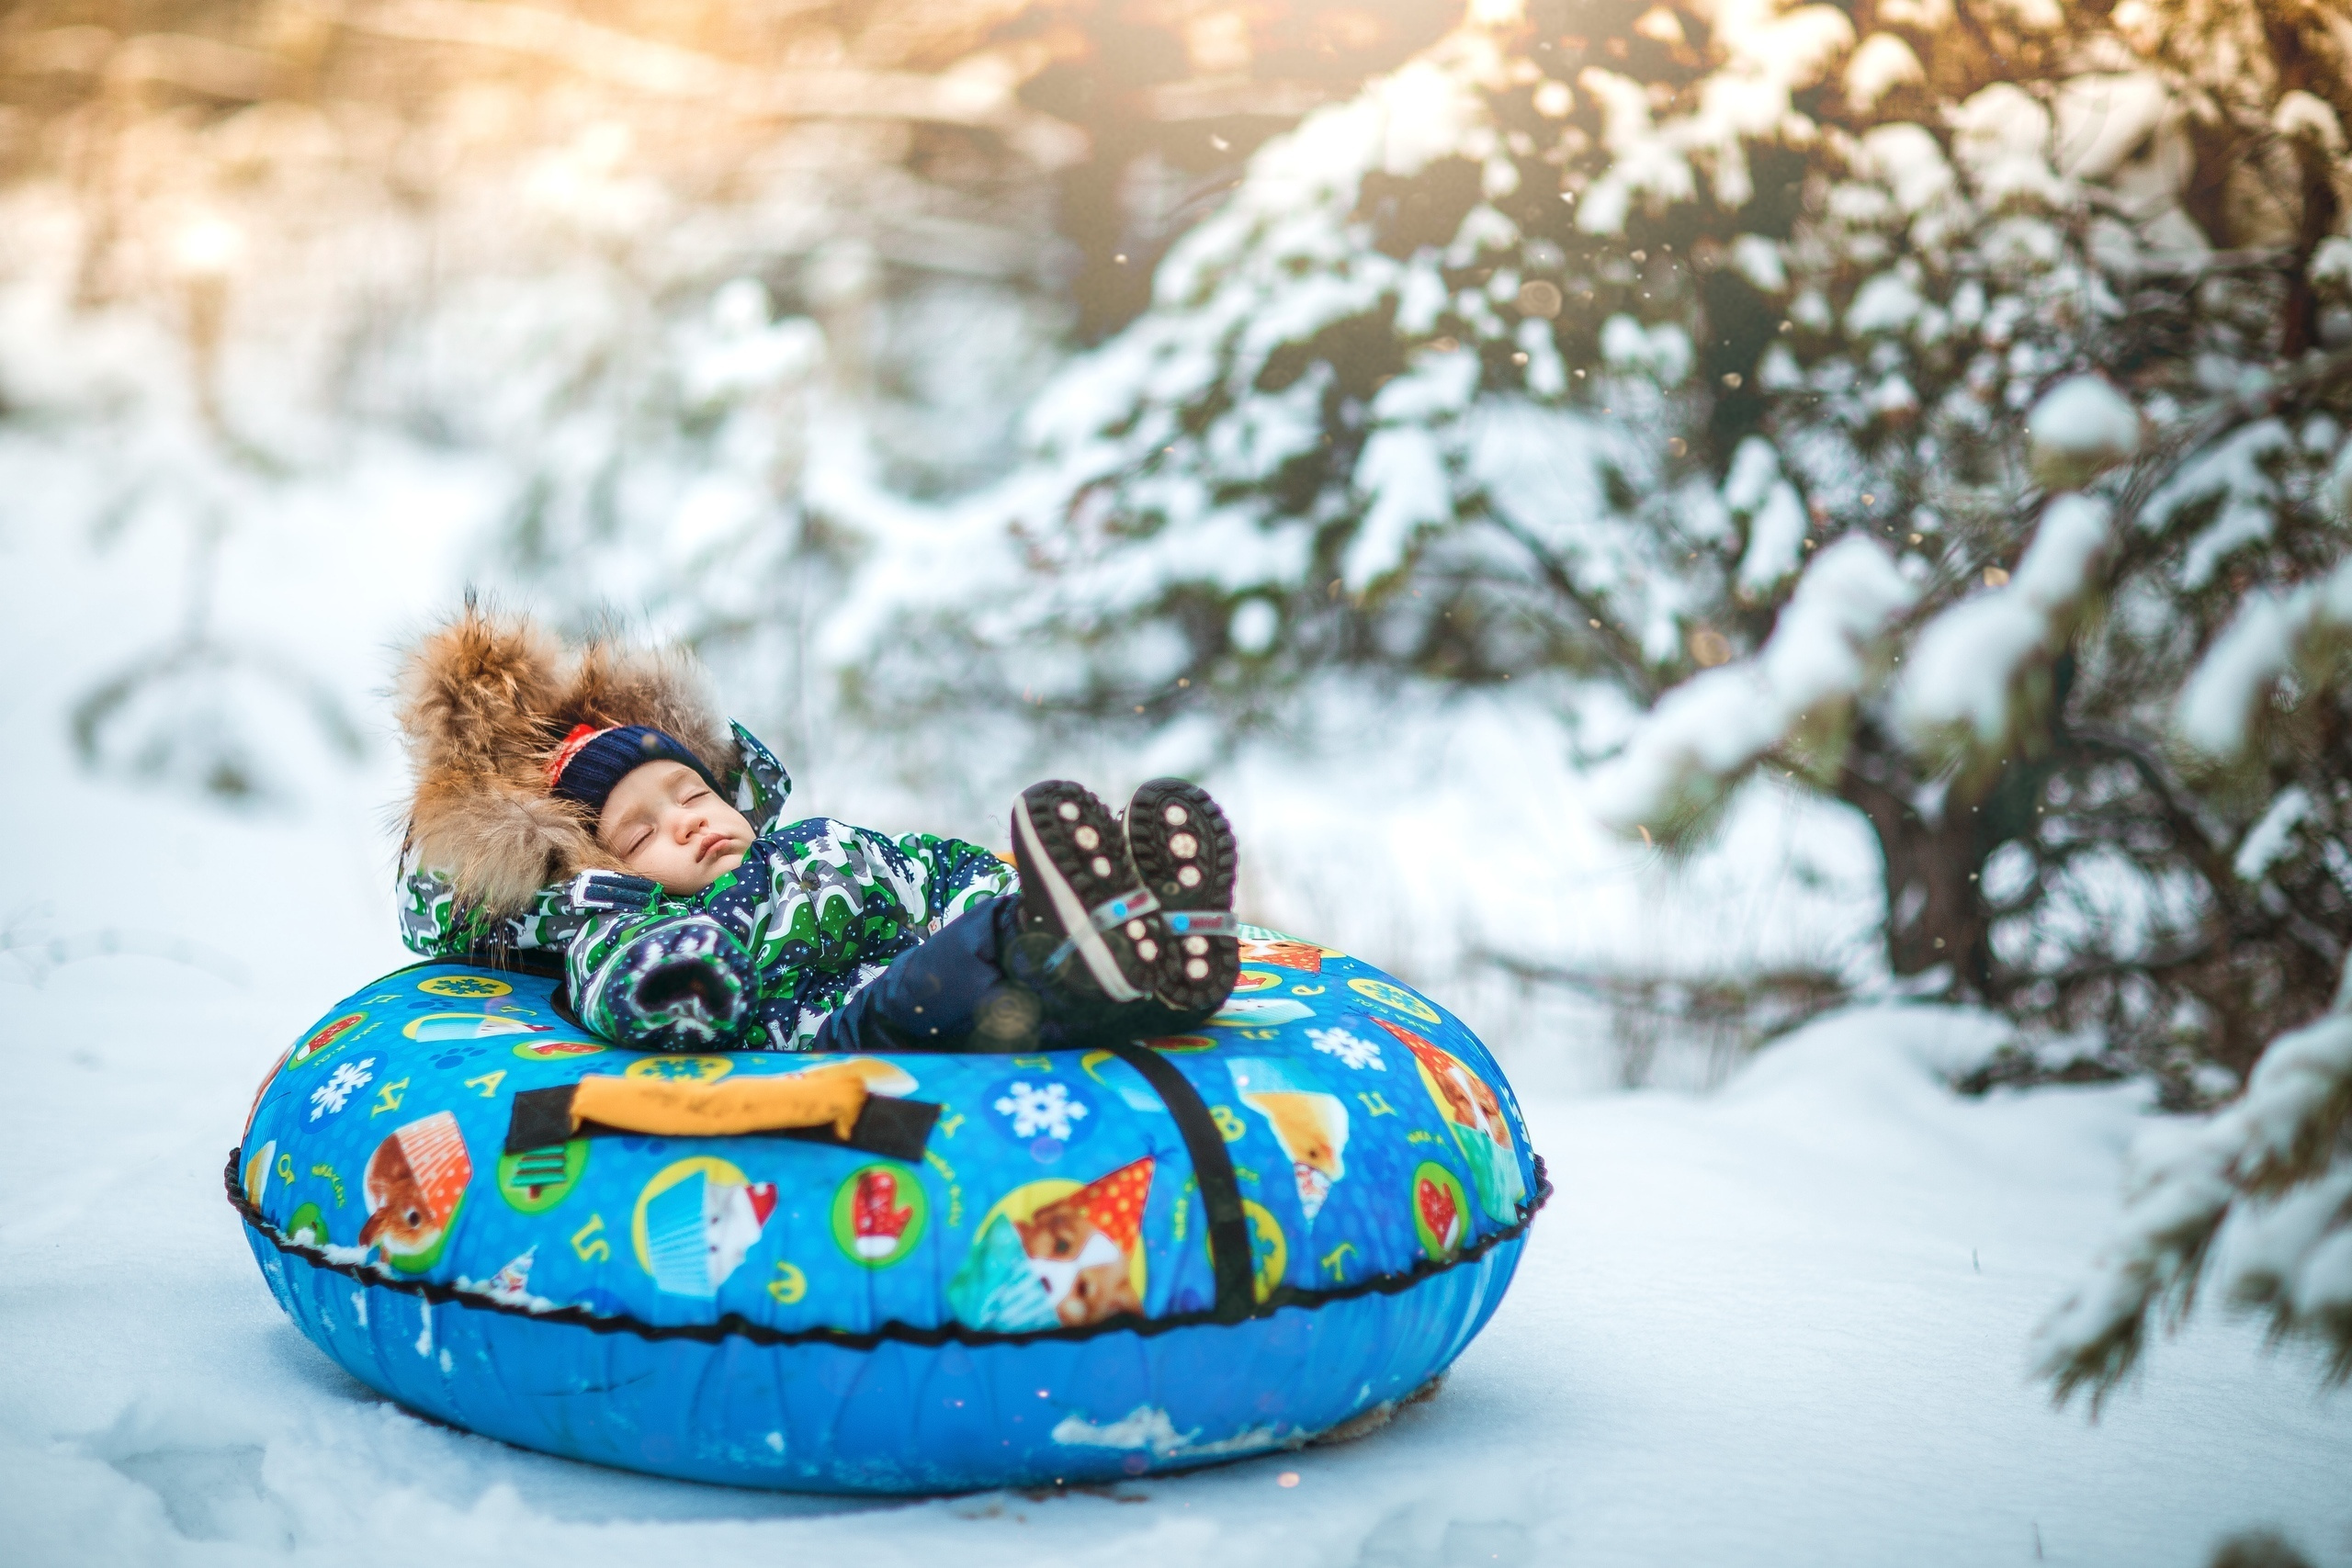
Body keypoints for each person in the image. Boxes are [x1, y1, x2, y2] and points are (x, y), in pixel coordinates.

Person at [392, 602, 1240, 1055]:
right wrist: (681, 976)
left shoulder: (821, 843)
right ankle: (1069, 931)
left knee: (1000, 953)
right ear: (607, 869)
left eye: (690, 793)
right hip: (851, 1022)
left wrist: (992, 884)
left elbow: (931, 873)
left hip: (949, 966)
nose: (685, 824)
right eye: (641, 834)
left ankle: (1153, 954)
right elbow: (618, 974)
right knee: (963, 968)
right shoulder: (640, 919)